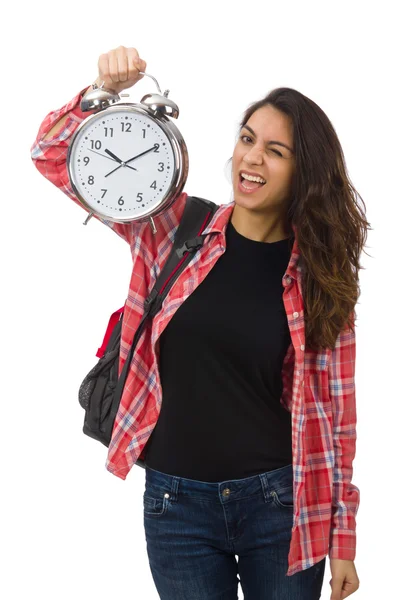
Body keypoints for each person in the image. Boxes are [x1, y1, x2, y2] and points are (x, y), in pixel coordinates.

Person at [31, 45, 370, 600]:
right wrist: (104, 89)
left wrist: (344, 538)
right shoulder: (171, 225)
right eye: (247, 139)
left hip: (278, 506)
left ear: (304, 171)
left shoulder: (319, 280)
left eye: (275, 150)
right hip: (176, 506)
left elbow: (336, 419)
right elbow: (51, 155)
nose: (251, 159)